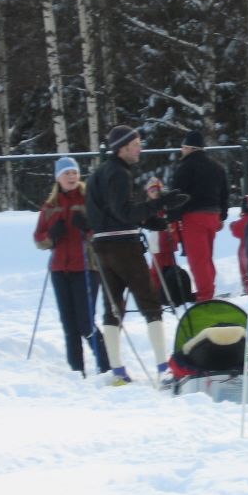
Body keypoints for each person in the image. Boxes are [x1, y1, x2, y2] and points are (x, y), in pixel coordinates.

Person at [86, 125, 187, 385]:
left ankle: (117, 370)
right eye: (135, 144)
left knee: (112, 307)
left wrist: (152, 221)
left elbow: (112, 214)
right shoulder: (119, 174)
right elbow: (125, 213)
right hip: (124, 248)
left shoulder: (99, 174)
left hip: (102, 247)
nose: (140, 147)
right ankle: (163, 368)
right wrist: (160, 204)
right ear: (122, 147)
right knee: (150, 303)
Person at [32, 157, 109, 376]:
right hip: (59, 270)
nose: (72, 177)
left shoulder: (88, 200)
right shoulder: (50, 207)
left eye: (74, 173)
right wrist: (51, 236)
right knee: (69, 325)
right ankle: (77, 370)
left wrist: (88, 228)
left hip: (86, 267)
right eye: (67, 173)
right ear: (58, 178)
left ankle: (106, 365)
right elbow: (39, 239)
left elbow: (101, 231)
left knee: (85, 323)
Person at [171, 130, 229, 301]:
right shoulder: (217, 167)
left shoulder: (185, 167)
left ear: (189, 148)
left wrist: (172, 217)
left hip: (193, 217)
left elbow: (178, 194)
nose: (182, 151)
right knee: (207, 257)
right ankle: (208, 288)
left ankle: (205, 295)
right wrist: (222, 215)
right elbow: (225, 193)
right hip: (213, 216)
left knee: (198, 260)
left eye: (183, 147)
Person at [142, 176, 190, 307]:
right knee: (156, 270)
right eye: (152, 191)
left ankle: (169, 292)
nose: (155, 194)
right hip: (157, 244)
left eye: (157, 190)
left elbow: (173, 221)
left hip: (168, 242)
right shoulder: (150, 208)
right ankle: (157, 294)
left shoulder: (166, 207)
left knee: (169, 268)